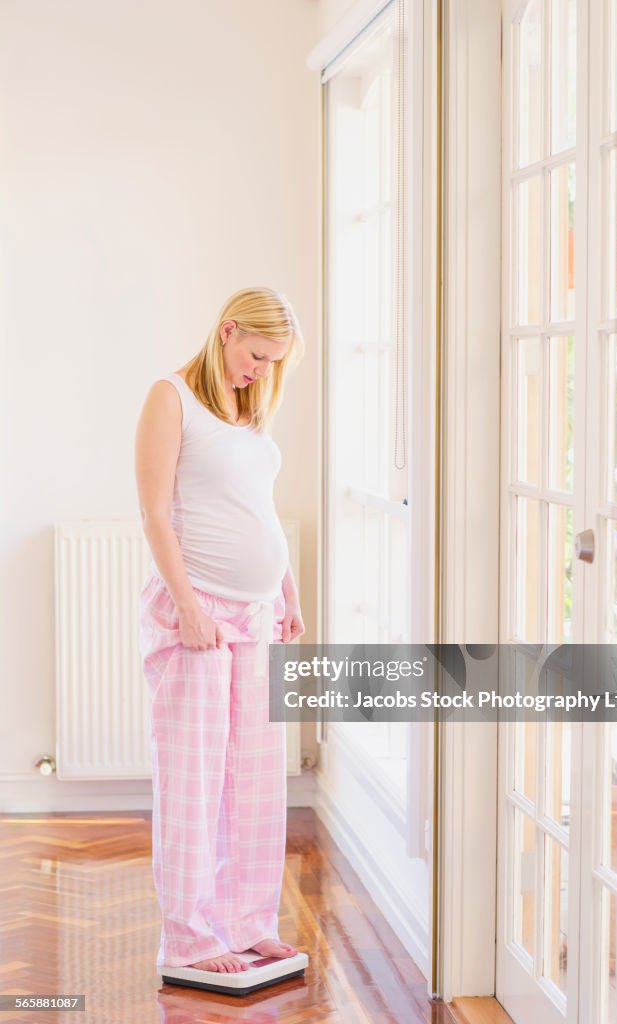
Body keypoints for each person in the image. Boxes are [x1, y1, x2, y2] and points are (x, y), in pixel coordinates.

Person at [135, 286, 305, 976]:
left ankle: (246, 922)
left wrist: (289, 592)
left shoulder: (250, 407)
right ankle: (191, 939)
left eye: (273, 363)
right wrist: (188, 608)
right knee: (193, 782)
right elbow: (152, 513)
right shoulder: (170, 397)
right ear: (228, 331)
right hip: (197, 613)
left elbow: (258, 507)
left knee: (258, 781)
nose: (260, 371)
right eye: (257, 355)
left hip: (258, 611)